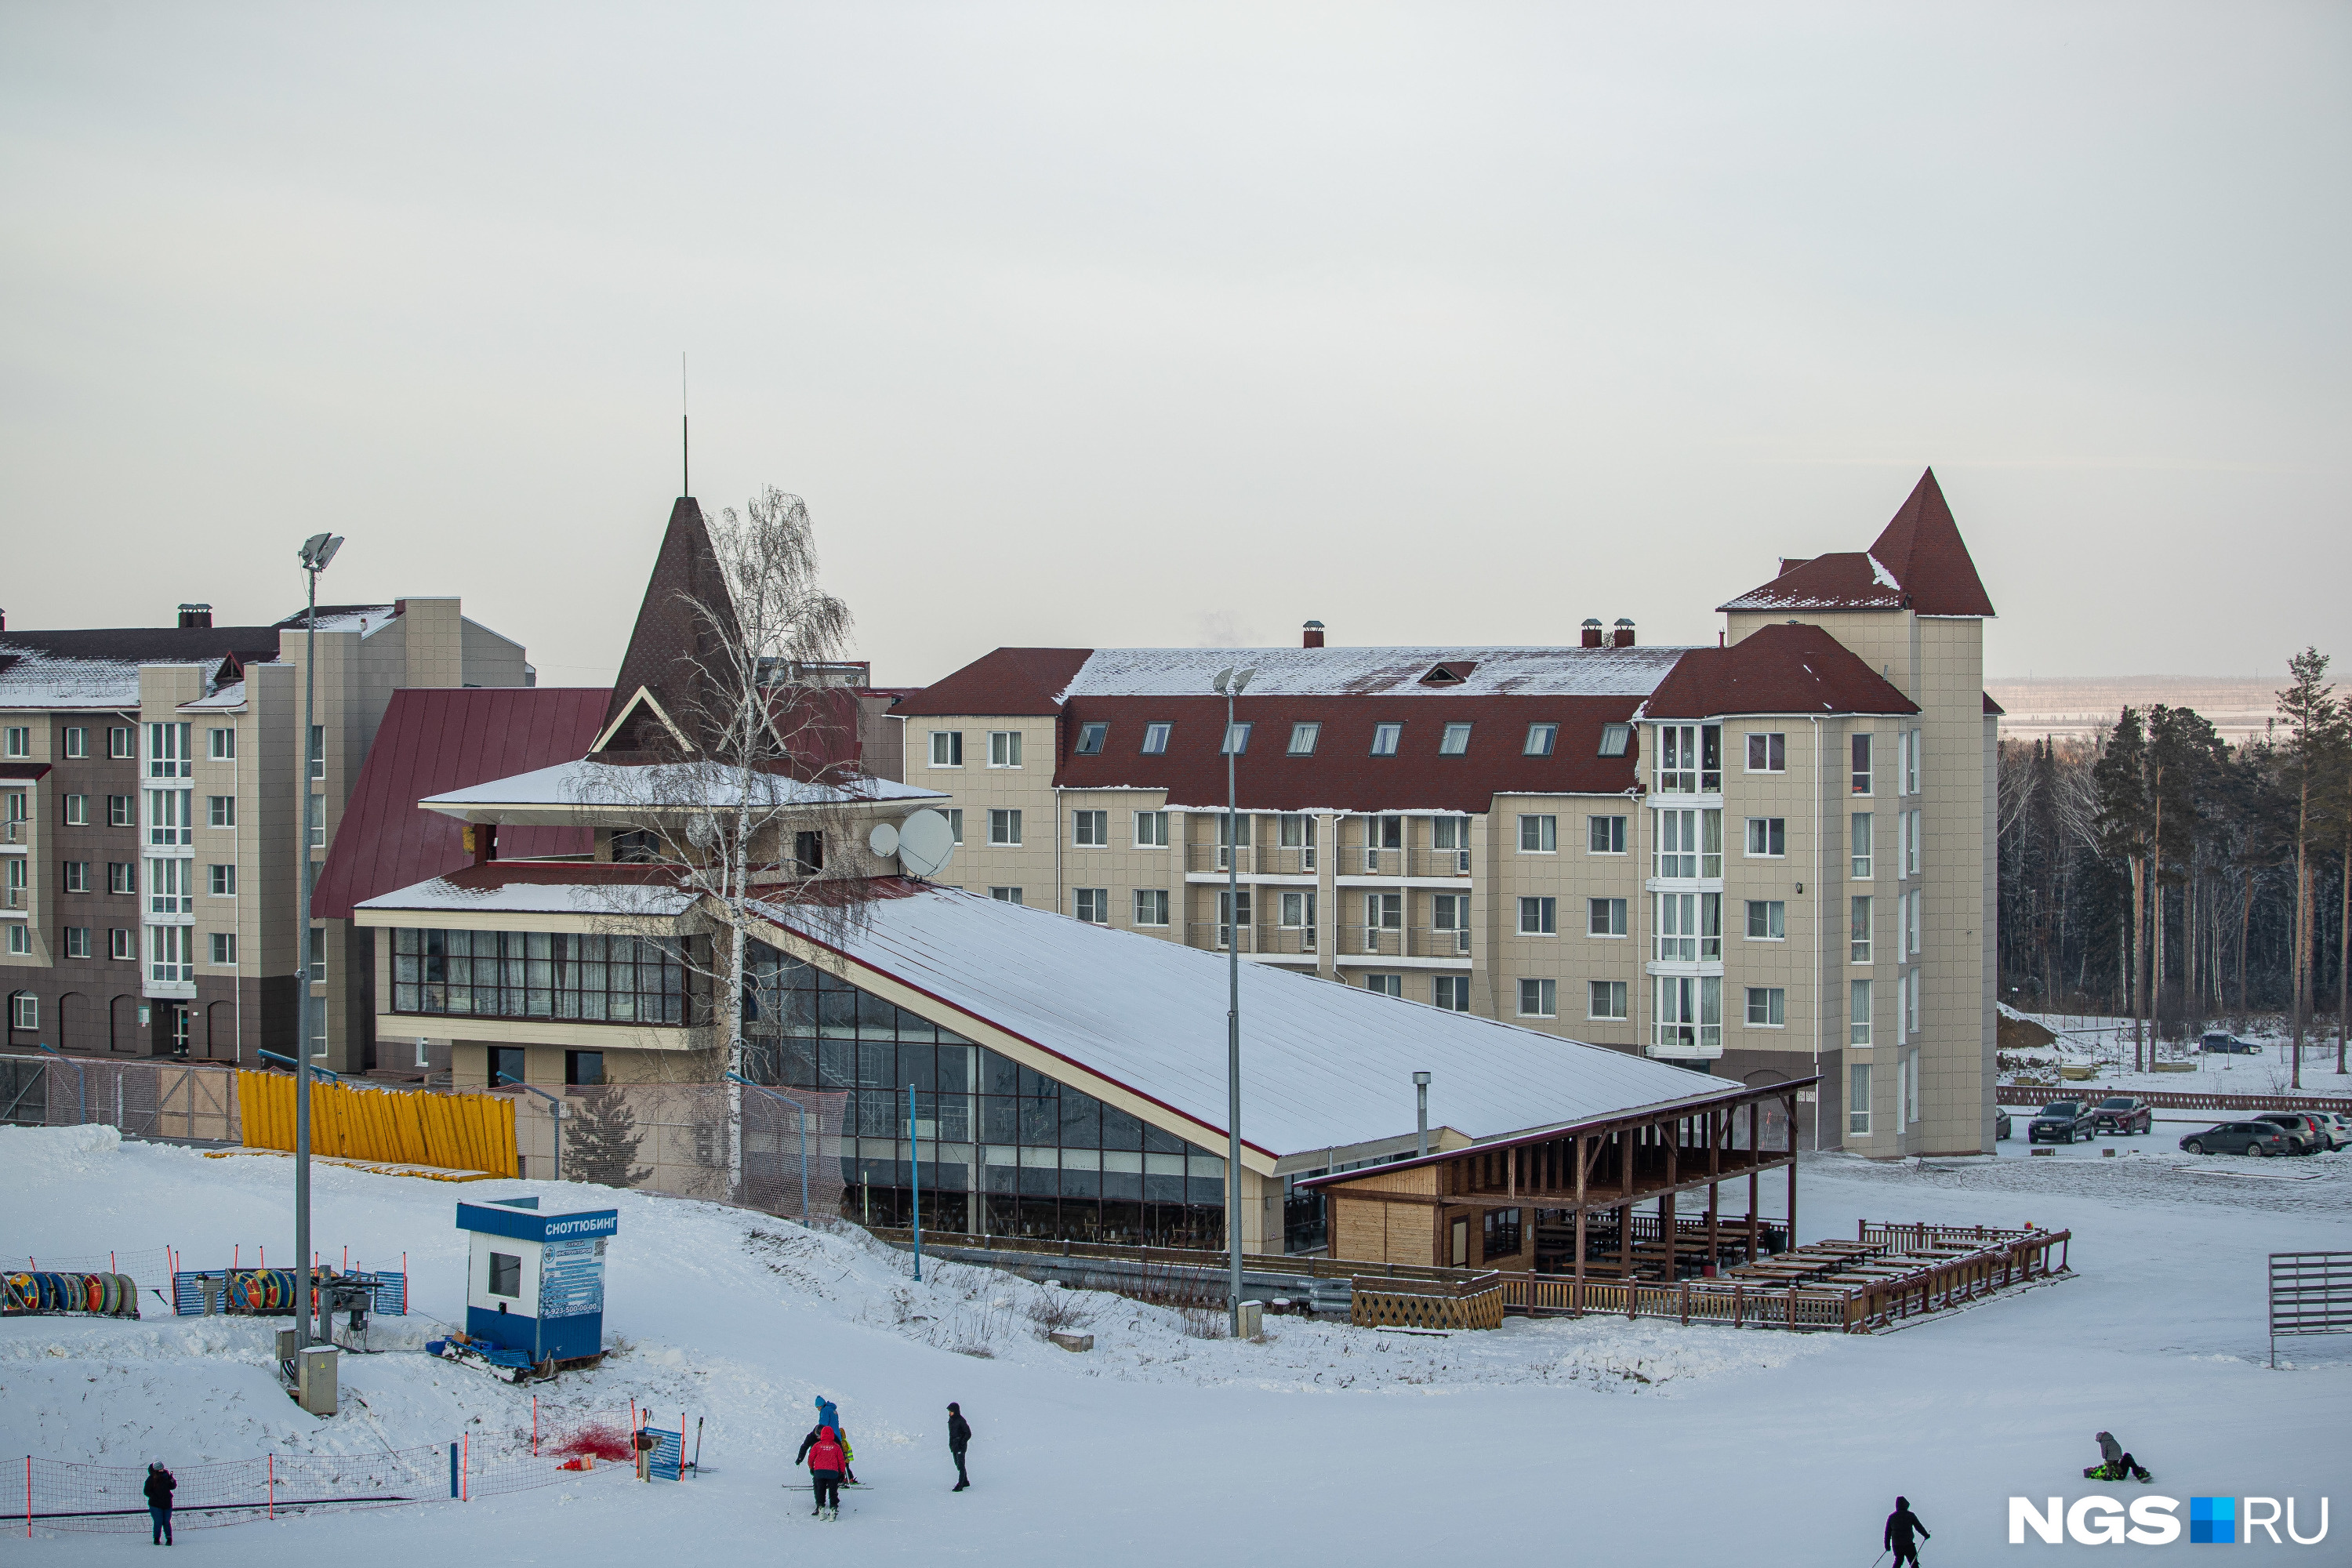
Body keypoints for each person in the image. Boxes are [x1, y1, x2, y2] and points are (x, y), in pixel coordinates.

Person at [796, 1424, 846, 1519]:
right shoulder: (811, 1437)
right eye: (817, 1436)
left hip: (820, 1469)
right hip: (828, 1469)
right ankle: (829, 1506)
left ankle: (821, 1506)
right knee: (827, 1488)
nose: (819, 1438)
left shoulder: (829, 1439)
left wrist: (812, 1468)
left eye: (820, 1436)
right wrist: (800, 1458)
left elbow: (839, 1448)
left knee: (821, 1487)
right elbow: (804, 1447)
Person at [814, 1396, 857, 1484]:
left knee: (830, 1458)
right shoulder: (833, 1410)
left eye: (818, 1407)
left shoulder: (824, 1411)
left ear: (821, 1406)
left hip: (830, 1437)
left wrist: (818, 1434)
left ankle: (837, 1479)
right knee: (839, 1457)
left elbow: (823, 1424)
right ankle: (846, 1477)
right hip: (837, 1437)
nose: (818, 1409)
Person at [2085, 1431, 2150, 1483]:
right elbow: (2106, 1471)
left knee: (2127, 1455)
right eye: (2089, 1469)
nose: (2090, 1467)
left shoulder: (2100, 1468)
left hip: (2118, 1470)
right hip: (2119, 1475)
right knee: (2127, 1458)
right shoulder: (2097, 1472)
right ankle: (2139, 1474)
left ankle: (2139, 1472)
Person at [1883, 1496, 1928, 1567]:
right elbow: (1918, 1527)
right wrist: (1926, 1535)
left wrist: (1887, 1546)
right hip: (1908, 1544)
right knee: (1913, 1562)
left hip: (1896, 1545)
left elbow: (1887, 1533)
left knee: (1899, 1560)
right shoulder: (1910, 1515)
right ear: (1906, 1505)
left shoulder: (1891, 1517)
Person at [143, 1461, 176, 1546]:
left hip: (167, 1504)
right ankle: (156, 1539)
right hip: (155, 1505)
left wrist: (172, 1480)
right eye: (160, 1469)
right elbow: (146, 1491)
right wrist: (155, 1497)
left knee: (166, 1522)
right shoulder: (151, 1479)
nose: (162, 1470)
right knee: (158, 1521)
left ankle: (169, 1538)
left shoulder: (167, 1476)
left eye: (162, 1468)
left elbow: (173, 1486)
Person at [946, 1402, 971, 1492]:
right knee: (958, 1464)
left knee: (961, 1465)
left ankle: (960, 1485)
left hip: (960, 1446)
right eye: (949, 1411)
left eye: (951, 1411)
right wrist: (951, 1444)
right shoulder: (951, 1420)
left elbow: (968, 1433)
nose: (950, 1413)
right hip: (954, 1446)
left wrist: (961, 1442)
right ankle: (965, 1481)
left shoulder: (961, 1420)